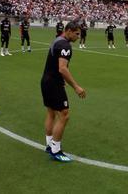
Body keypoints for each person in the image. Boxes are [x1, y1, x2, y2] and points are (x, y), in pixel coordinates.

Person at [40, 21, 86, 162]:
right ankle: (56, 150)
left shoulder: (57, 40)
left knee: (51, 112)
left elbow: (55, 65)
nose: (78, 37)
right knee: (64, 115)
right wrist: (76, 87)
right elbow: (62, 68)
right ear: (69, 31)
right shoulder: (65, 45)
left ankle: (49, 145)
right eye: (77, 34)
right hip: (53, 84)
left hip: (46, 81)